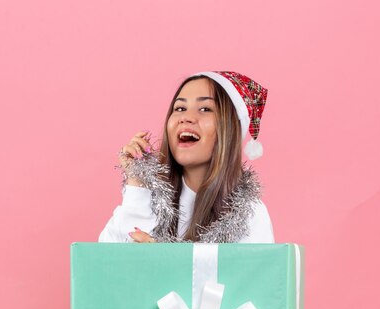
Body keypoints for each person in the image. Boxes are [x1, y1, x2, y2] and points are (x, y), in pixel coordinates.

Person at [99, 71, 274, 243]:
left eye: (205, 109)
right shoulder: (147, 196)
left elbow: (250, 272)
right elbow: (105, 263)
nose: (186, 117)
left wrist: (164, 263)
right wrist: (137, 184)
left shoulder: (248, 214)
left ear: (230, 130)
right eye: (180, 108)